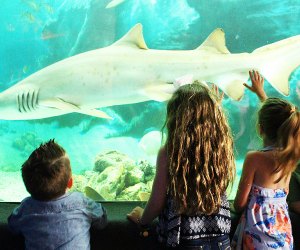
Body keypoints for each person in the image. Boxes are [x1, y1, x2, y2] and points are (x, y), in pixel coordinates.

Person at [127, 80, 235, 249]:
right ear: (213, 114)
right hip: (220, 239)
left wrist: (143, 219)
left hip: (184, 239)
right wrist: (209, 99)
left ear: (175, 116)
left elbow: (157, 201)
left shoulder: (170, 151)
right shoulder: (221, 147)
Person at [232, 70, 300, 249]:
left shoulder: (254, 158)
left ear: (260, 129)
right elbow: (284, 119)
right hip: (282, 238)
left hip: (256, 239)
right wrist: (262, 94)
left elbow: (239, 204)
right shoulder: (291, 156)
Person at [8, 139, 107, 250]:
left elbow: (13, 226)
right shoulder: (81, 202)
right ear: (70, 182)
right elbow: (101, 219)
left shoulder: (26, 207)